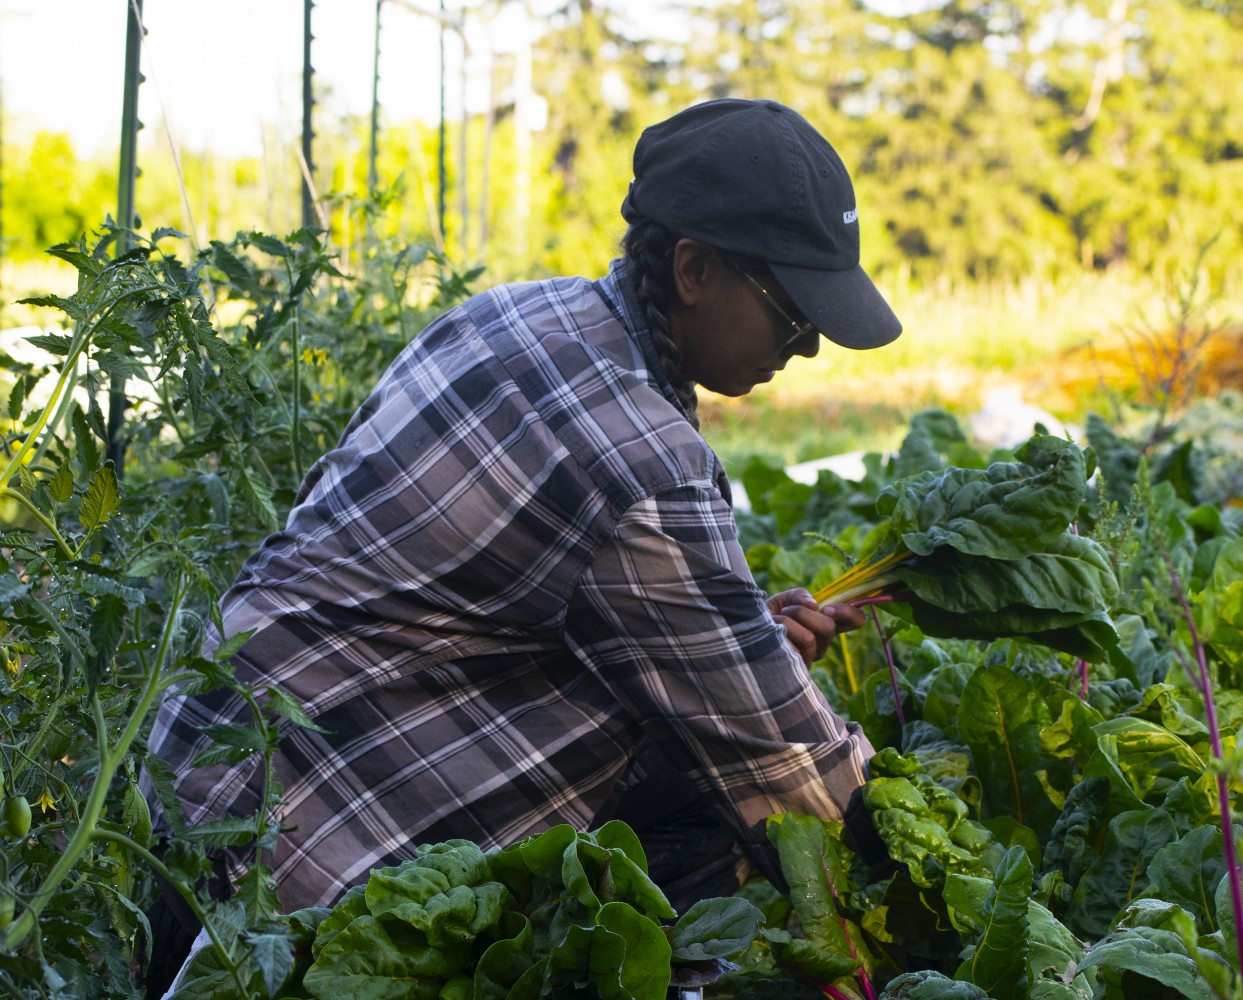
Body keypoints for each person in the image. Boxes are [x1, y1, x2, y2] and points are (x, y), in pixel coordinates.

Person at [142, 96, 901, 991]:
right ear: (694, 269)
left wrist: (734, 635)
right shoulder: (640, 457)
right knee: (714, 806)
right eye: (792, 311)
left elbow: (486, 600)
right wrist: (924, 903)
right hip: (293, 847)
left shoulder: (520, 314)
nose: (807, 346)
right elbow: (782, 761)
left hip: (197, 769)